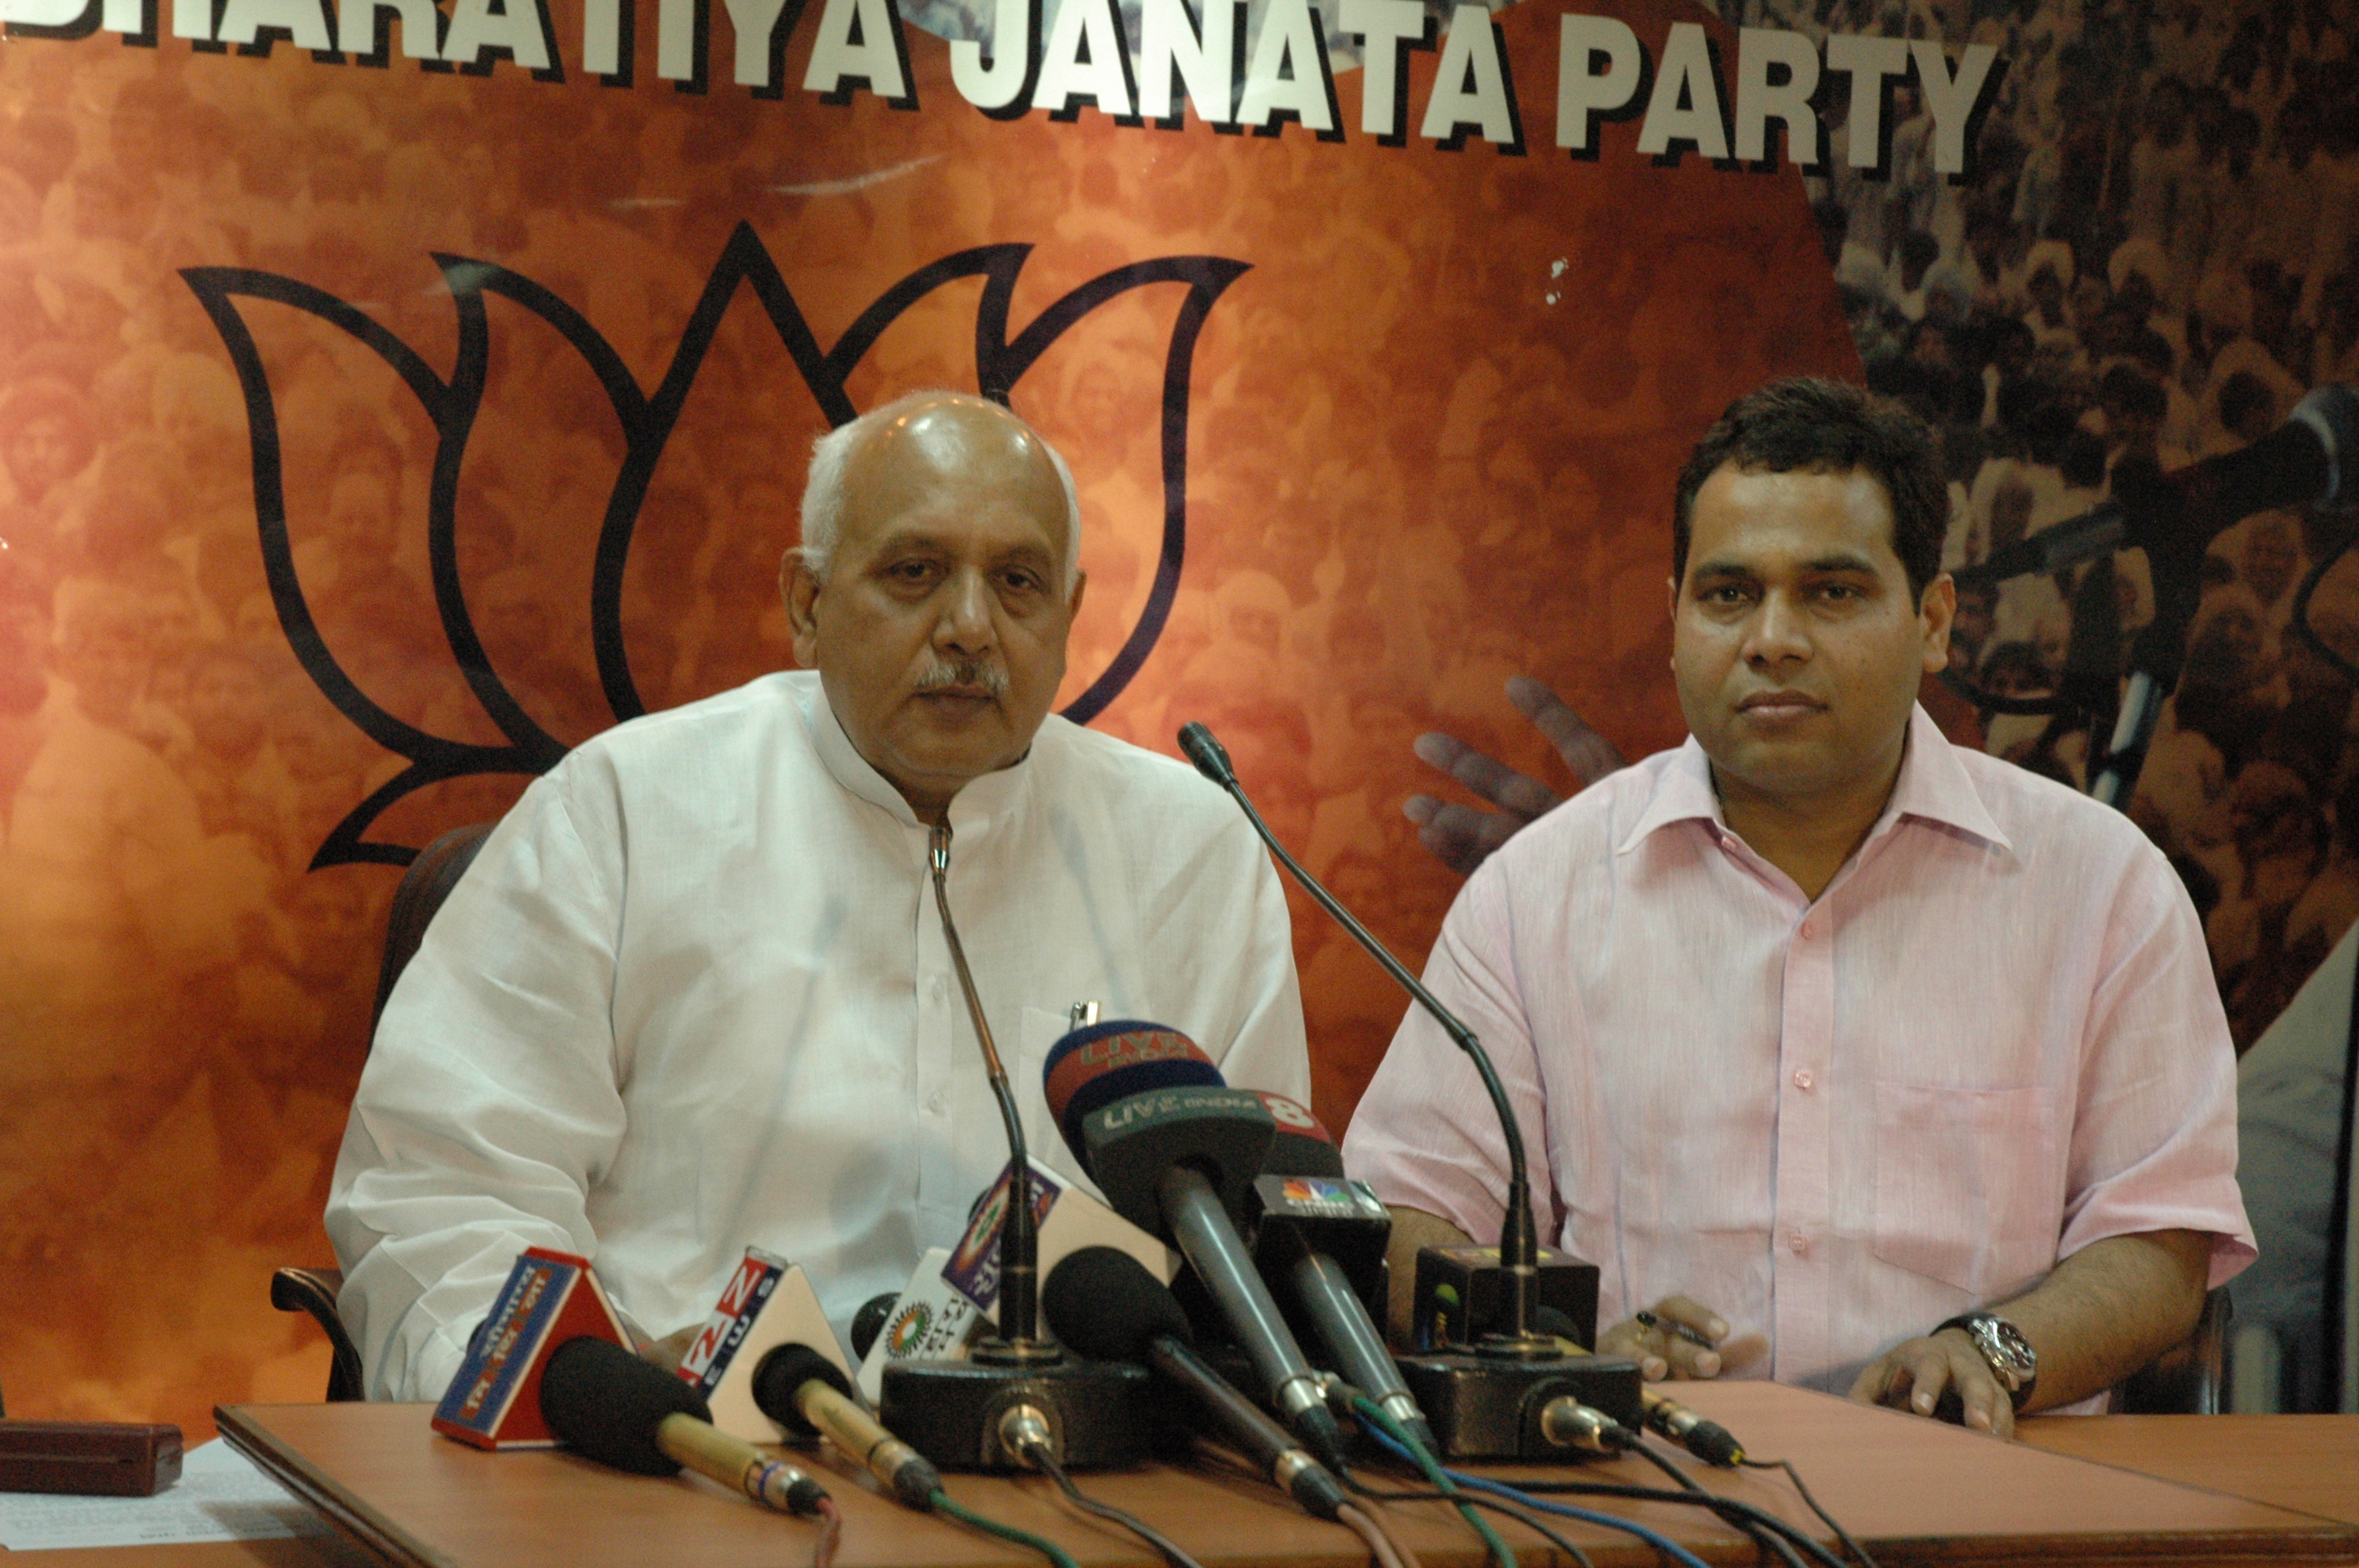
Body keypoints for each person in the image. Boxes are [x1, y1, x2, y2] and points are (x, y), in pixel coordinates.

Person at [326, 392, 1310, 1401]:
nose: (970, 627)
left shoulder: (1191, 852)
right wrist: (578, 1397)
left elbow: (1259, 1233)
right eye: (913, 572)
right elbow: (444, 1199)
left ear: (1067, 611)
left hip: (1070, 1476)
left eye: (1016, 582)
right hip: (684, 1477)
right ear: (807, 601)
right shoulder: (625, 810)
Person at [1346, 377, 2252, 1439]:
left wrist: (1993, 1352)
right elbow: (1406, 1217)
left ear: (1935, 622)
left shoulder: (2098, 885)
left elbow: (2160, 1238)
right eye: (1729, 594)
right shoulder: (1536, 893)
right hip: (1639, 1501)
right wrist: (1562, 1338)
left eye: (1831, 592)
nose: (1772, 638)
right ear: (1677, 619)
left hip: (1989, 1504)